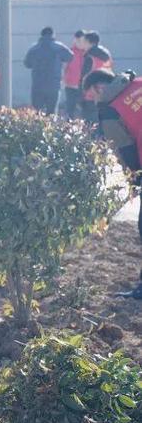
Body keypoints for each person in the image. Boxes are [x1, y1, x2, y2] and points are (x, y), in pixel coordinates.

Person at [84, 69, 142, 298]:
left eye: (90, 94)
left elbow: (126, 150)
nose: (91, 100)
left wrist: (136, 179)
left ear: (99, 87)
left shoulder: (110, 109)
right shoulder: (138, 83)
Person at [23, 26, 73, 115]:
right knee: (52, 112)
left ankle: (37, 128)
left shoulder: (34, 48)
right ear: (53, 35)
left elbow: (27, 63)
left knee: (37, 112)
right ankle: (51, 128)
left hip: (37, 84)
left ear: (41, 35)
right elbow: (70, 57)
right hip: (53, 84)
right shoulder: (59, 47)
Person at [80, 30, 114, 124]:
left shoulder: (90, 56)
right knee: (103, 122)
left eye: (84, 42)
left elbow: (84, 77)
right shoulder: (107, 55)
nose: (82, 45)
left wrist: (81, 94)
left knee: (90, 123)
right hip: (107, 93)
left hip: (91, 94)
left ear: (89, 42)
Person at [63, 30, 86, 119]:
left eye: (82, 41)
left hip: (84, 86)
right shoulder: (70, 52)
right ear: (74, 40)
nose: (80, 43)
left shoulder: (88, 53)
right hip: (70, 86)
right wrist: (63, 81)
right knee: (70, 109)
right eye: (78, 41)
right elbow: (64, 67)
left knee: (84, 110)